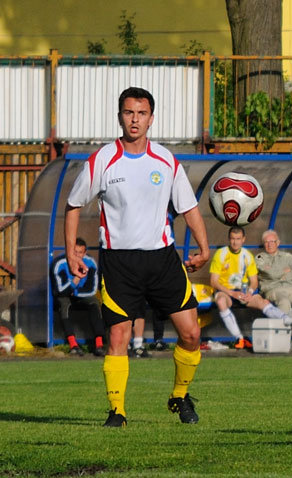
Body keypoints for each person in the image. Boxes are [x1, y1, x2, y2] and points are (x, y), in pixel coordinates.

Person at [64, 86, 211, 427]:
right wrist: (72, 250)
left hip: (162, 260)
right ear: (120, 116)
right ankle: (117, 412)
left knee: (191, 334)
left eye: (141, 113)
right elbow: (73, 205)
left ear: (151, 119)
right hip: (119, 263)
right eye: (129, 112)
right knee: (118, 338)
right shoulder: (102, 160)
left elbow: (188, 208)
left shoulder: (166, 160)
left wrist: (204, 249)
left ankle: (179, 396)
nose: (135, 119)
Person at [209, 226, 292, 349]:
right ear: (229, 239)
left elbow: (254, 282)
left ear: (243, 239)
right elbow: (214, 282)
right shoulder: (221, 254)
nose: (235, 242)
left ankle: (286, 318)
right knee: (221, 301)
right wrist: (232, 293)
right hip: (226, 292)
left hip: (243, 292)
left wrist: (250, 292)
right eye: (232, 239)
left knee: (261, 301)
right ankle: (239, 338)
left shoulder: (247, 255)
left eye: (238, 238)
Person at [255, 229, 292, 348]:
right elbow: (270, 274)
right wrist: (284, 273)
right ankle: (281, 339)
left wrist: (281, 275)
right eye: (267, 242)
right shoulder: (260, 258)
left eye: (272, 241)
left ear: (278, 243)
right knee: (284, 303)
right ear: (263, 244)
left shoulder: (287, 257)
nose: (269, 244)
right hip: (273, 290)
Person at [50, 237, 105, 357]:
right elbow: (61, 291)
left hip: (79, 294)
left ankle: (99, 345)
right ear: (69, 251)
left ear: (85, 253)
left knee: (94, 302)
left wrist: (73, 291)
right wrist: (76, 279)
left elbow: (91, 289)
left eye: (80, 252)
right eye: (75, 252)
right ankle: (73, 345)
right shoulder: (60, 264)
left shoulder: (90, 263)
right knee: (64, 303)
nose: (78, 255)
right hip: (65, 296)